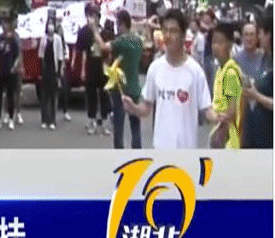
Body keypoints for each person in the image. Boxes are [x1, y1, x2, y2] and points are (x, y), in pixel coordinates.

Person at [122, 9, 228, 149]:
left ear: (183, 35)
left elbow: (206, 109)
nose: (167, 36)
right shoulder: (155, 68)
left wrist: (217, 117)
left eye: (173, 31)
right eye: (165, 30)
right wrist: (133, 108)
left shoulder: (195, 71)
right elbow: (147, 107)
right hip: (161, 148)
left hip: (187, 149)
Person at [94, 9, 143, 149]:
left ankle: (119, 154)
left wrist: (94, 30)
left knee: (119, 127)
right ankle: (137, 153)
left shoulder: (121, 41)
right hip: (135, 87)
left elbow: (103, 47)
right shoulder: (138, 41)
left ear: (122, 24)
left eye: (117, 24)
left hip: (120, 89)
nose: (116, 27)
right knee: (135, 126)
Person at [209, 22, 246, 149]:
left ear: (229, 45)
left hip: (228, 139)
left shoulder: (230, 72)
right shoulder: (220, 69)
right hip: (220, 130)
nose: (215, 46)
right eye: (213, 42)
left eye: (220, 42)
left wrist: (220, 135)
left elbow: (231, 111)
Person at [77, 3, 111, 136]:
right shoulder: (84, 32)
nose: (92, 18)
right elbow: (84, 53)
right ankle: (91, 121)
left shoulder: (104, 31)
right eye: (90, 15)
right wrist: (82, 70)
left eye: (95, 15)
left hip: (102, 66)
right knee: (91, 94)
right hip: (91, 64)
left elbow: (108, 51)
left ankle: (104, 123)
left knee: (104, 95)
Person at [243, 13, 273, 149]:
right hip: (252, 132)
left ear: (269, 35)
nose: (258, 37)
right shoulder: (265, 57)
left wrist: (257, 96)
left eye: (260, 33)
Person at [0, 13, 21, 130]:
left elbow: (17, 55)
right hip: (0, 70)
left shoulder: (13, 40)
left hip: (11, 71)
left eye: (7, 23)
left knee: (10, 95)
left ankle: (11, 118)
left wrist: (15, 66)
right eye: (3, 23)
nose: (5, 26)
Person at [38, 14, 63, 129]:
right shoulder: (43, 39)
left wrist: (59, 73)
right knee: (44, 96)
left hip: (54, 69)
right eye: (49, 24)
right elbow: (40, 55)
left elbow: (60, 56)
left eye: (52, 24)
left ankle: (52, 120)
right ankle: (44, 119)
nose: (50, 26)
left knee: (53, 96)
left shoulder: (58, 39)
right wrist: (40, 72)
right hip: (45, 70)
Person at [56, 21, 73, 123]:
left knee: (65, 90)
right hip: (53, 68)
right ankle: (51, 113)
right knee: (53, 92)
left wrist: (62, 68)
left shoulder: (64, 45)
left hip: (62, 69)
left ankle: (65, 111)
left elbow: (66, 57)